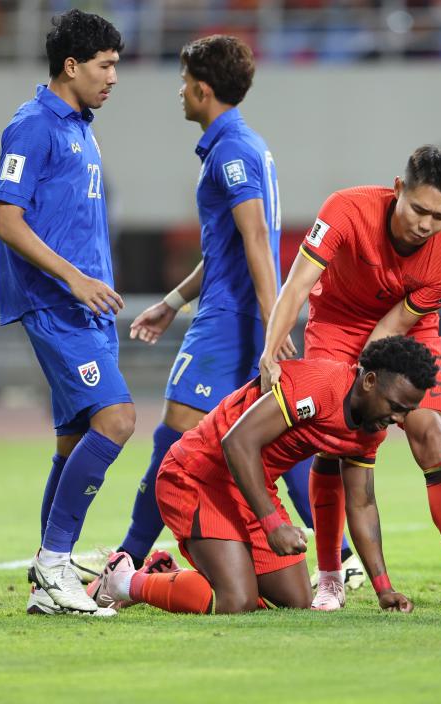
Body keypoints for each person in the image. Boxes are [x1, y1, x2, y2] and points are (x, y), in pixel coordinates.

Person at [259, 145, 441, 614]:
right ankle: (330, 577)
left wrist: (363, 378)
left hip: (406, 330)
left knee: (431, 434)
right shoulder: (345, 209)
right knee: (336, 438)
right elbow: (299, 283)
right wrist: (271, 350)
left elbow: (394, 326)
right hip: (336, 322)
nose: (426, 225)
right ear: (398, 189)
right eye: (419, 210)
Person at [89, 336, 435, 614]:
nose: (398, 419)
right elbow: (237, 442)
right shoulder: (319, 384)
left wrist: (383, 588)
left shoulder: (370, 431)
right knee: (236, 601)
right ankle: (124, 581)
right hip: (197, 475)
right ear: (370, 381)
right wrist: (272, 524)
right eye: (395, 406)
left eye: (406, 412)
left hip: (250, 488)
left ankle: (167, 575)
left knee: (296, 600)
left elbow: (361, 505)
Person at [114, 34, 289, 574]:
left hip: (230, 320)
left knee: (174, 435)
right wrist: (172, 302)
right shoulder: (245, 144)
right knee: (269, 437)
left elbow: (256, 239)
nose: (180, 91)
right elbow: (227, 250)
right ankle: (339, 558)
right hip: (236, 312)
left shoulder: (231, 150)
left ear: (202, 90)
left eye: (184, 81)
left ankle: (128, 557)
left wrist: (272, 330)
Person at [0, 9, 128, 616]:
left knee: (73, 443)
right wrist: (74, 278)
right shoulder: (32, 126)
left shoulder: (80, 127)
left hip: (86, 306)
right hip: (55, 303)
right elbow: (7, 220)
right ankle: (52, 565)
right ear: (70, 66)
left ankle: (50, 576)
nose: (113, 77)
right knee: (117, 420)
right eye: (105, 65)